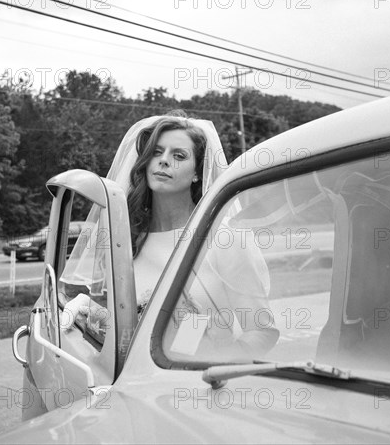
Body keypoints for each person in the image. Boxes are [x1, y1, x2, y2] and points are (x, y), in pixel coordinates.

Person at [61, 112, 278, 357]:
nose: (164, 161)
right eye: (156, 152)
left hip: (202, 386)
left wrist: (207, 362)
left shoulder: (224, 239)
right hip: (137, 386)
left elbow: (262, 332)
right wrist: (87, 309)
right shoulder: (129, 239)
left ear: (197, 172)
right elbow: (128, 332)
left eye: (179, 155)